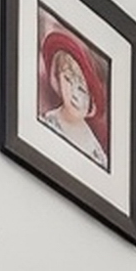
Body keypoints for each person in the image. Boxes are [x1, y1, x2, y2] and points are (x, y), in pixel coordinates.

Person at [36, 21, 110, 169]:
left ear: (93, 101)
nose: (75, 96)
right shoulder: (46, 123)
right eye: (68, 80)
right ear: (56, 78)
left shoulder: (98, 154)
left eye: (82, 90)